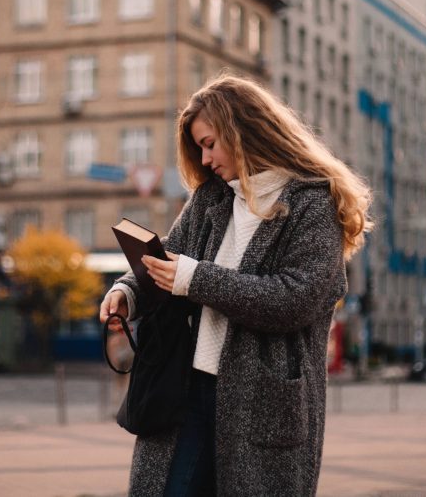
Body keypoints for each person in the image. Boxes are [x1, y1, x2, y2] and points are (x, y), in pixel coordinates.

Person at [100, 74, 372, 496]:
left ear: (242, 130)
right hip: (187, 391)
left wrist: (195, 278)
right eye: (199, 148)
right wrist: (126, 293)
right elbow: (170, 253)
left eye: (209, 143)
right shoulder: (213, 198)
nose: (205, 160)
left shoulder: (312, 203)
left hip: (261, 402)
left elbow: (293, 299)